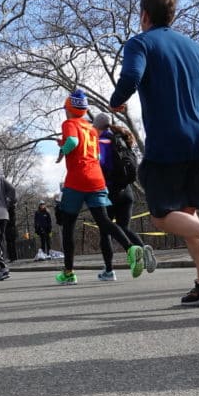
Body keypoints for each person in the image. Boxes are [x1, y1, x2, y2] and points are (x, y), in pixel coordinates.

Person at [109, 0, 199, 307]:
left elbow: (130, 75)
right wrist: (194, 110)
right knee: (188, 213)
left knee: (161, 215)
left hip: (168, 141)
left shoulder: (139, 43)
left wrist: (117, 101)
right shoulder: (194, 47)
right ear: (172, 16)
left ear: (144, 15)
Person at [54, 90, 143, 285]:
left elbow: (72, 141)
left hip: (77, 179)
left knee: (68, 226)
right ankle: (131, 249)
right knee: (104, 221)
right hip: (97, 180)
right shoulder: (90, 127)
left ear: (68, 109)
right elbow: (85, 146)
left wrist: (62, 150)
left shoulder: (69, 124)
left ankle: (68, 273)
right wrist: (65, 144)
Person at [94, 112, 156, 279]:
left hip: (110, 191)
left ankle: (108, 271)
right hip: (127, 191)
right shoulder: (121, 139)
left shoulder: (104, 141)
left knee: (105, 230)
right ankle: (143, 249)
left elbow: (103, 165)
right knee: (123, 227)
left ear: (97, 127)